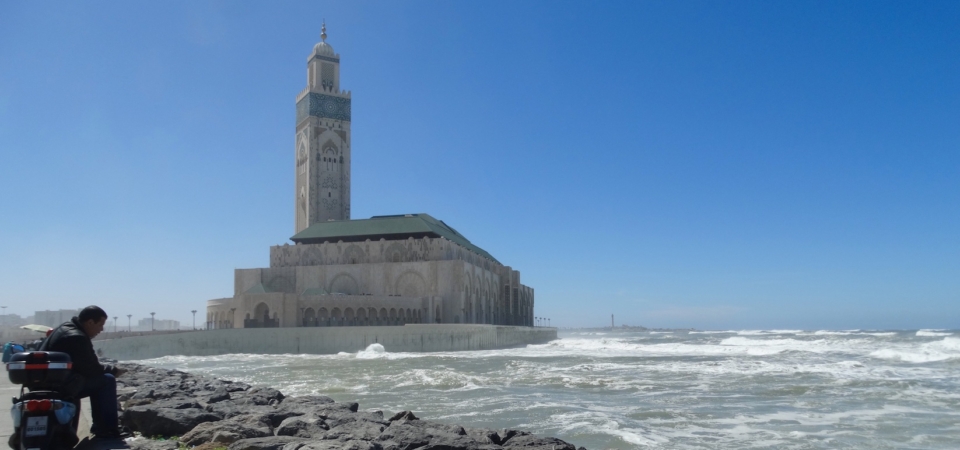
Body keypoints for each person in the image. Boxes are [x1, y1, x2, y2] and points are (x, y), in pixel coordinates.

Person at [39, 306, 128, 439]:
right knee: (107, 380)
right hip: (61, 386)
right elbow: (92, 369)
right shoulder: (77, 337)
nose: (101, 329)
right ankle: (107, 429)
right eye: (101, 325)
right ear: (90, 322)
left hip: (44, 382)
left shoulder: (64, 328)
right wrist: (114, 370)